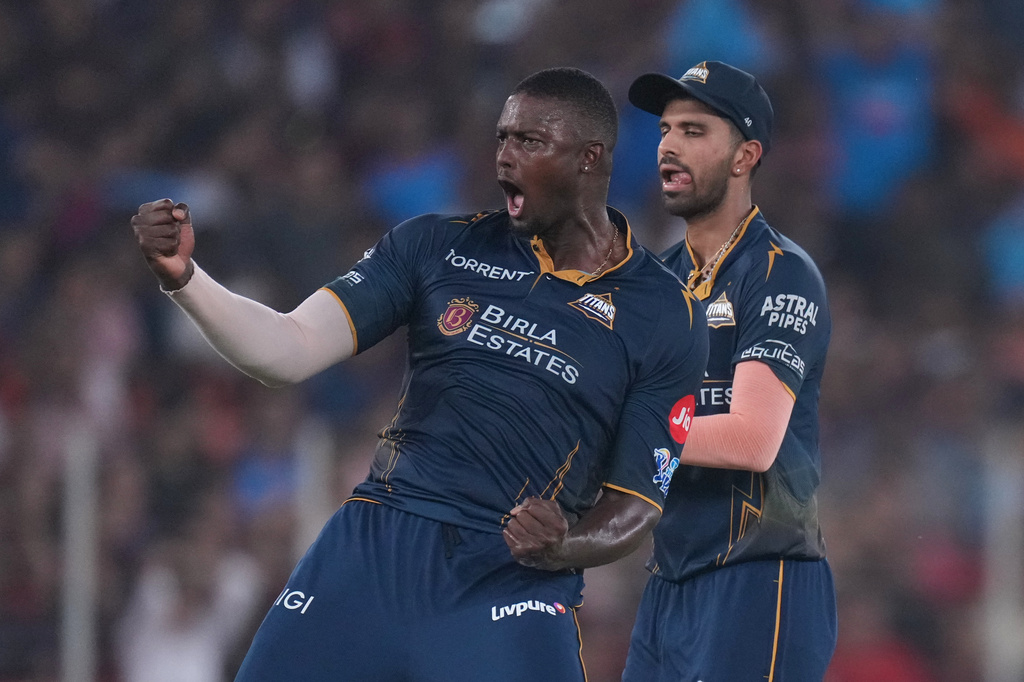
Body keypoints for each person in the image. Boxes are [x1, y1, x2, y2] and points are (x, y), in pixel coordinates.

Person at [131, 67, 708, 682]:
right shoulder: (434, 247)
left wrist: (563, 547)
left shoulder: (666, 314)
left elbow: (636, 506)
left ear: (590, 159)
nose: (505, 158)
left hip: (507, 575)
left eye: (529, 142)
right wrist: (185, 279)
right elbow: (288, 347)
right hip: (373, 547)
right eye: (501, 138)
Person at [621, 61, 837, 680]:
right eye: (665, 129)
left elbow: (751, 439)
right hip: (669, 580)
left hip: (760, 577)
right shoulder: (653, 282)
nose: (668, 144)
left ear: (745, 156)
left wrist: (621, 430)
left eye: (694, 130)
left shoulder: (779, 272)